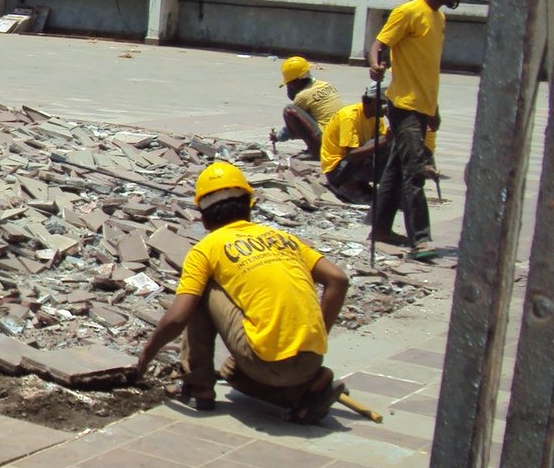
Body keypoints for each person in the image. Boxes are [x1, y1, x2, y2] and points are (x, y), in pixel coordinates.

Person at [135, 163, 350, 425]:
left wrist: (145, 357)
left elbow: (178, 317)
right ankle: (304, 393)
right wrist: (317, 336)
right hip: (311, 360)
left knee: (199, 291)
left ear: (203, 216)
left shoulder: (206, 249)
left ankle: (198, 386)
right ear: (250, 204)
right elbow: (338, 279)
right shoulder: (283, 238)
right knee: (231, 373)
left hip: (265, 362)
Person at [367, 0, 474, 262]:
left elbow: (428, 68)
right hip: (404, 105)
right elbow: (380, 42)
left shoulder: (439, 19)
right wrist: (375, 64)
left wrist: (433, 108)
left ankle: (381, 229)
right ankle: (421, 240)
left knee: (396, 170)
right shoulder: (409, 12)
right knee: (415, 172)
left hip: (422, 106)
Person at [320, 84, 387, 203]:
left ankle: (362, 184)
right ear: (369, 101)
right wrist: (387, 139)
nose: (386, 108)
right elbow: (352, 154)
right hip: (336, 168)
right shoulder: (349, 117)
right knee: (381, 144)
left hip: (353, 162)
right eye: (383, 103)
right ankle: (347, 185)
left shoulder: (377, 119)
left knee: (390, 149)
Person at [273, 56, 346, 156]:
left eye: (289, 84)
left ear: (296, 81)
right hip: (343, 138)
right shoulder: (324, 84)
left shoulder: (303, 96)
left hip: (328, 141)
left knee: (289, 110)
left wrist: (278, 137)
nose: (288, 87)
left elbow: (292, 127)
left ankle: (315, 151)